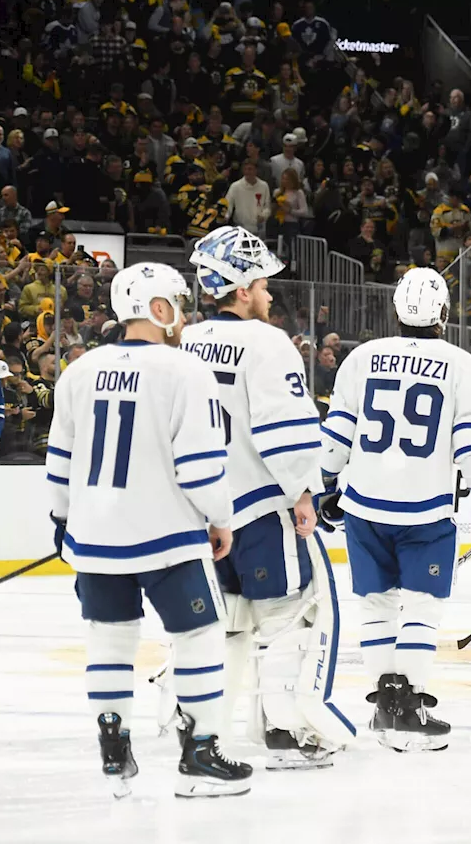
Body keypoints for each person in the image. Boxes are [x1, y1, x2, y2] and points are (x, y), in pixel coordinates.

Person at [45, 262, 250, 798]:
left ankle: (114, 749)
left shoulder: (78, 371)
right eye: (178, 302)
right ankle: (200, 752)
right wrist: (221, 517)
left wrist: (63, 520)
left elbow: (59, 462)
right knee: (201, 637)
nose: (184, 314)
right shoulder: (185, 371)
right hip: (168, 537)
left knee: (109, 642)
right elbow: (200, 467)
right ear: (159, 309)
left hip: (96, 539)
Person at [181, 226, 354, 770]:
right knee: (290, 614)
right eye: (260, 282)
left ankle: (201, 729)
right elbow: (283, 428)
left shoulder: (183, 341)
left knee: (223, 622)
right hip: (259, 508)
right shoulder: (267, 342)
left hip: (202, 512)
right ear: (239, 289)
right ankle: (284, 728)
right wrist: (305, 489)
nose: (269, 292)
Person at [319, 267, 471, 750]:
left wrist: (324, 483)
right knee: (423, 605)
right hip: (426, 508)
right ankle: (410, 706)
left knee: (376, 606)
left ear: (397, 309)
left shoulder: (362, 358)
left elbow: (337, 433)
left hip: (364, 503)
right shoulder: (462, 363)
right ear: (443, 312)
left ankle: (384, 709)